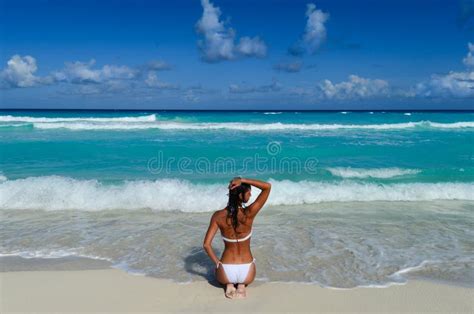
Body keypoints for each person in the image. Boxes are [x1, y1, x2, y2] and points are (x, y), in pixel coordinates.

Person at [203, 177, 271, 299]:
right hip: (247, 271)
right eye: (249, 192)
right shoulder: (249, 213)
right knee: (246, 275)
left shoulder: (218, 216)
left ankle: (229, 284)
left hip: (226, 271)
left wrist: (218, 263)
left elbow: (206, 245)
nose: (250, 195)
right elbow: (267, 187)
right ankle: (241, 285)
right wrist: (243, 180)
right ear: (241, 195)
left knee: (217, 272)